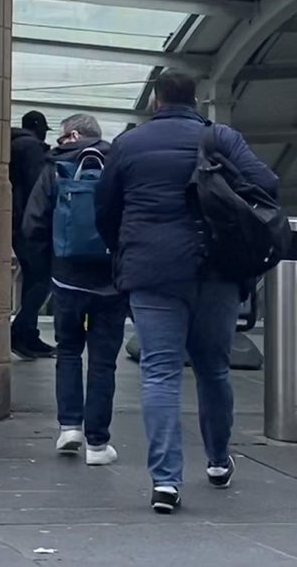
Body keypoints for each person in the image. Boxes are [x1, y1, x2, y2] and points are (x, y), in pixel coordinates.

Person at [96, 70, 278, 514]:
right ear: (194, 100)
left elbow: (105, 207)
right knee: (213, 369)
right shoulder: (221, 138)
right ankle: (217, 460)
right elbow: (267, 184)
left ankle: (165, 482)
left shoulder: (129, 143)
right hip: (216, 269)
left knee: (160, 372)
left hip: (152, 270)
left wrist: (127, 248)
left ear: (155, 101)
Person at [22, 113, 126, 467]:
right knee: (103, 362)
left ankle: (69, 428)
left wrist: (48, 266)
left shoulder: (55, 168)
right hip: (111, 281)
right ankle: (98, 444)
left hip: (67, 278)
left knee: (68, 351)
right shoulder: (118, 166)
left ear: (73, 135)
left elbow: (33, 224)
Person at [11, 110, 54, 359]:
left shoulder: (12, 144)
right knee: (42, 278)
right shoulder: (31, 148)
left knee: (32, 277)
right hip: (31, 224)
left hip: (15, 223)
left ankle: (28, 333)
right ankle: (21, 331)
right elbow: (39, 188)